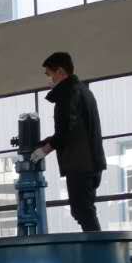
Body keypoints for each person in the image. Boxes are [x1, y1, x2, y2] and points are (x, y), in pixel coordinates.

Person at [39, 52, 106, 232]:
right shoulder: (84, 91)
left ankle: (97, 247)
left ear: (60, 72)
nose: (49, 80)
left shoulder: (67, 94)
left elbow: (64, 133)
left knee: (82, 211)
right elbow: (73, 129)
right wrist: (45, 143)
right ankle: (96, 245)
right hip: (91, 162)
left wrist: (43, 151)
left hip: (80, 164)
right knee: (84, 210)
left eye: (49, 74)